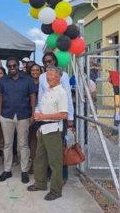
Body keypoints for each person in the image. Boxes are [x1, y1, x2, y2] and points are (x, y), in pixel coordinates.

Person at [27, 66, 68, 201]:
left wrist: (43, 115)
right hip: (43, 129)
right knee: (40, 158)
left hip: (53, 130)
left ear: (58, 77)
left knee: (55, 162)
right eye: (47, 76)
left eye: (51, 75)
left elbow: (63, 114)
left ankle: (56, 190)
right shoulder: (47, 91)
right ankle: (40, 183)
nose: (48, 78)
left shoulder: (61, 92)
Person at [0, 58, 37, 184]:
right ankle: (7, 170)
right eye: (10, 66)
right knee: (8, 144)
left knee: (23, 144)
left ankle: (24, 171)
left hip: (23, 115)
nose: (12, 67)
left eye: (14, 65)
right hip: (6, 115)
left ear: (18, 66)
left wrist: (32, 113)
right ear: (7, 67)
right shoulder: (3, 80)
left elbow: (32, 96)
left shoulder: (27, 80)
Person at [37, 52, 74, 182]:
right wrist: (38, 112)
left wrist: (70, 117)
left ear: (55, 61)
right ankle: (48, 175)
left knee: (59, 148)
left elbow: (68, 96)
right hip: (44, 117)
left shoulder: (63, 75)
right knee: (45, 148)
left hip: (59, 116)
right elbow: (41, 96)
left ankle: (62, 177)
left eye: (50, 61)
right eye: (45, 62)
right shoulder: (42, 77)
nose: (48, 64)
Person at [28, 63, 42, 173]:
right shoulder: (27, 82)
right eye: (33, 70)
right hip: (29, 114)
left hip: (43, 114)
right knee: (31, 141)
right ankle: (33, 163)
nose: (35, 72)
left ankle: (41, 166)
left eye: (37, 70)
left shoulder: (44, 82)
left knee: (41, 141)